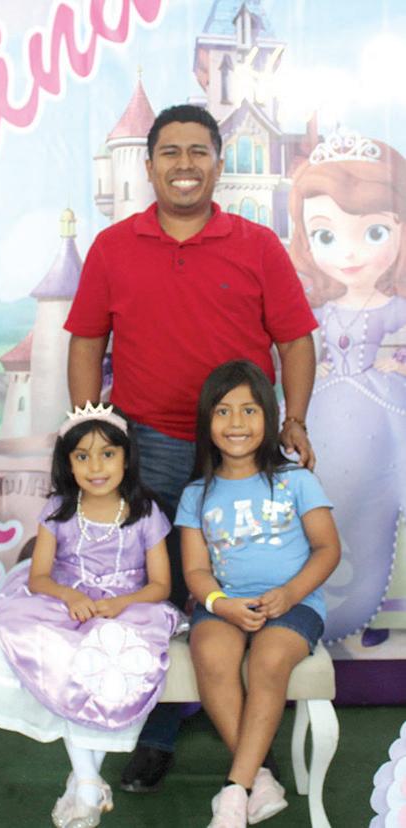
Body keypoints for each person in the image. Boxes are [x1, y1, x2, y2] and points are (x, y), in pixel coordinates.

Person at [65, 103, 319, 791]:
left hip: (242, 451)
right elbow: (86, 342)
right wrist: (91, 430)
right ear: (149, 165)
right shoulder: (113, 246)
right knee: (157, 593)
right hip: (148, 445)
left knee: (242, 580)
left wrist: (293, 420)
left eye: (198, 151)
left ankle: (249, 744)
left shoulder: (258, 245)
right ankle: (156, 736)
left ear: (217, 163)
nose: (184, 165)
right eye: (170, 152)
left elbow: (295, 340)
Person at [0, 401, 180, 828]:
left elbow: (160, 585)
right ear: (68, 463)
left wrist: (120, 604)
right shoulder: (59, 509)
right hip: (65, 600)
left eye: (107, 454)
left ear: (127, 458)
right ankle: (87, 781)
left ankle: (84, 783)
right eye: (82, 456)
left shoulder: (145, 512)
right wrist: (69, 596)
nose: (95, 467)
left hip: (127, 606)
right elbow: (39, 577)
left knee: (112, 657)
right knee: (46, 647)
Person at [176, 360, 340, 827]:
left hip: (293, 604)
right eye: (223, 411)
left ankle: (234, 791)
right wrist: (220, 605)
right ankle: (260, 778)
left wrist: (289, 594)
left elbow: (328, 549)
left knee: (268, 660)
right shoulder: (196, 494)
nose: (237, 423)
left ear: (270, 417)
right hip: (226, 604)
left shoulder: (296, 480)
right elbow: (195, 570)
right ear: (207, 421)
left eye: (249, 410)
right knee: (210, 654)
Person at [289, 131, 406, 644]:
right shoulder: (317, 312)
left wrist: (396, 363)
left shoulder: (396, 308)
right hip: (324, 407)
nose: (349, 252)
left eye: (374, 232)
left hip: (383, 408)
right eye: (326, 235)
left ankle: (376, 607)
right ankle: (314, 602)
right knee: (315, 495)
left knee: (379, 499)